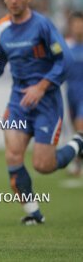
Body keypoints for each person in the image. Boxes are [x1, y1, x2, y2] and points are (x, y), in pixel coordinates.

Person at [0, 0, 83, 225]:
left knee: (44, 165)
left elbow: (64, 60)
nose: (14, 0)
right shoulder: (0, 28)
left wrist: (42, 86)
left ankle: (78, 142)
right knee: (13, 156)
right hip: (18, 101)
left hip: (46, 102)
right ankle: (34, 213)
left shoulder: (43, 25)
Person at [65, 11, 83, 176]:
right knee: (75, 131)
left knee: (80, 125)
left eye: (80, 23)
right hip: (71, 93)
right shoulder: (66, 46)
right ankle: (78, 163)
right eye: (75, 23)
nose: (78, 27)